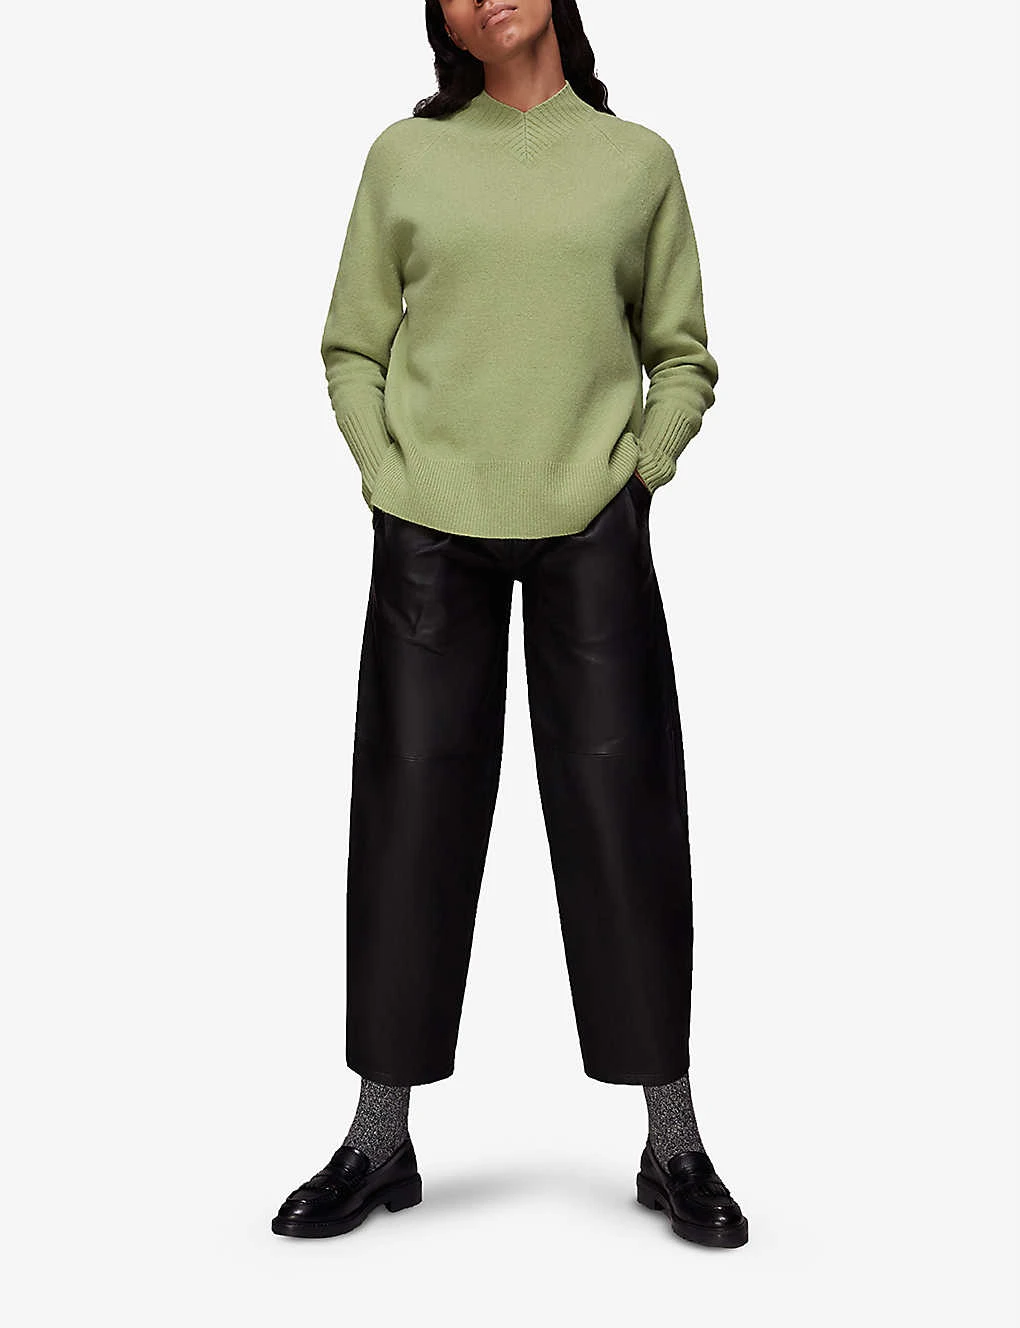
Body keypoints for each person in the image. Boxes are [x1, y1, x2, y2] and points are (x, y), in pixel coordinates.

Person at [272, 0, 748, 1248]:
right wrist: (386, 473)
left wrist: (640, 470)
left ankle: (673, 1137)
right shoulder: (406, 156)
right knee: (409, 816)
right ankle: (379, 1134)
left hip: (592, 516)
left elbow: (683, 353)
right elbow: (350, 346)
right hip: (431, 524)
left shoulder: (636, 161)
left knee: (626, 810)